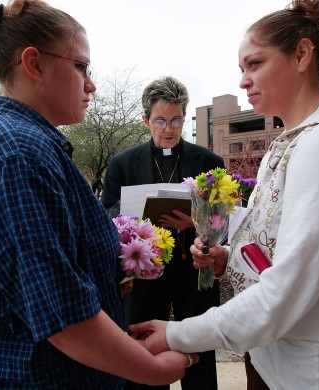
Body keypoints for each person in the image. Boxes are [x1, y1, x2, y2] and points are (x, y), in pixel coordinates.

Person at [130, 1, 319, 389]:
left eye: (254, 64)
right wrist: (227, 254)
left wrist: (177, 335)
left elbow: (286, 289)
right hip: (275, 354)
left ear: (302, 55)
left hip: (316, 365)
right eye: (242, 68)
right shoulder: (287, 144)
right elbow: (270, 238)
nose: (242, 80)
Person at [0, 1, 197, 388]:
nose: (91, 83)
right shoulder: (15, 155)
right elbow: (61, 313)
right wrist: (155, 370)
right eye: (80, 67)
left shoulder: (30, 147)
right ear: (34, 64)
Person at [101, 76, 224, 390]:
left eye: (176, 120)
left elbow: (222, 222)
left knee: (199, 363)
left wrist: (195, 222)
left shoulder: (208, 162)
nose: (169, 129)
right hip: (145, 279)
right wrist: (135, 221)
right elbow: (107, 218)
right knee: (144, 362)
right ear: (145, 120)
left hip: (193, 277)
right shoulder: (122, 164)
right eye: (160, 120)